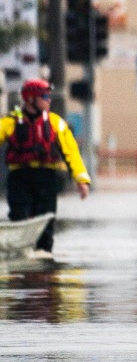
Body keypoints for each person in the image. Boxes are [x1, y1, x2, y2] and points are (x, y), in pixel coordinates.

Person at [1, 79, 91, 257]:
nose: (48, 100)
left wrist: (81, 180)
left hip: (47, 179)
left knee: (46, 221)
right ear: (30, 99)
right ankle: (20, 252)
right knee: (19, 215)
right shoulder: (10, 122)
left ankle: (44, 259)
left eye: (48, 96)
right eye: (44, 96)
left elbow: (71, 152)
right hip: (20, 178)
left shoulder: (56, 123)